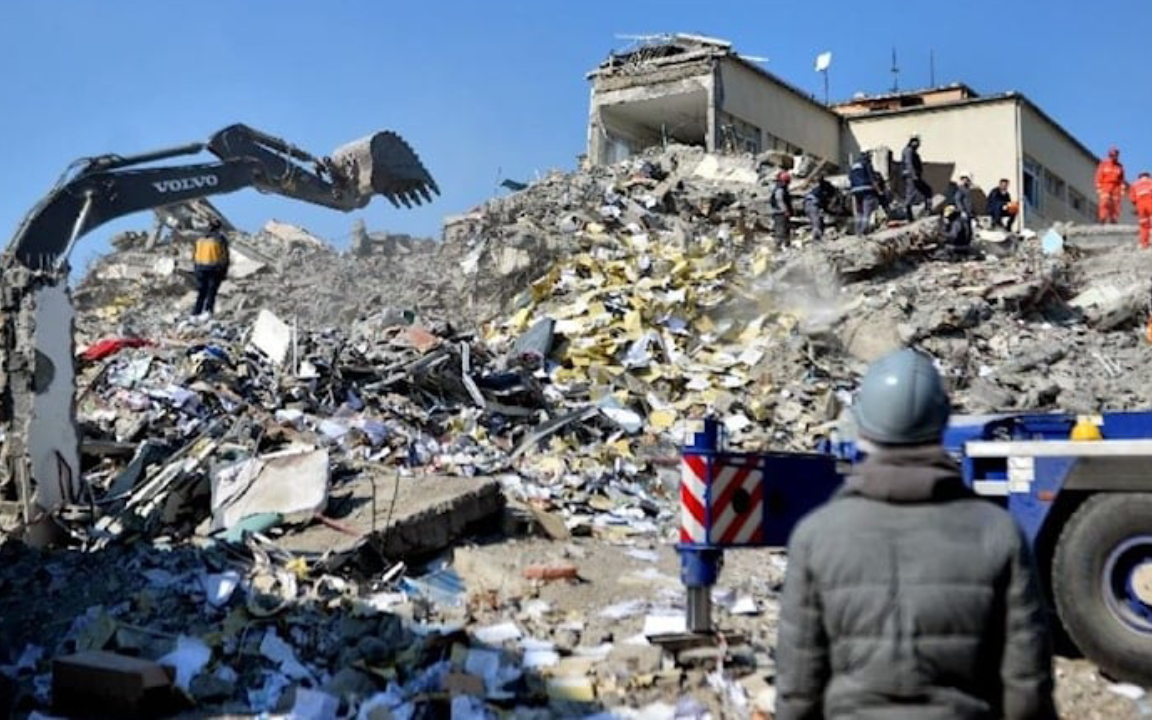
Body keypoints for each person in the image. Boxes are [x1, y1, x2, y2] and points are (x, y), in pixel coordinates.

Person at [776, 347, 1056, 720]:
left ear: (861, 429)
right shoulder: (998, 532)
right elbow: (1026, 685)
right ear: (943, 423)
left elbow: (798, 687)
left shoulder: (816, 535)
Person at [192, 218, 229, 318]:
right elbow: (224, 256)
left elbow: (194, 255)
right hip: (214, 269)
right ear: (218, 228)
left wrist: (195, 269)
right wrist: (224, 271)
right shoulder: (220, 239)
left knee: (201, 292)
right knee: (211, 292)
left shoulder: (200, 239)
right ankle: (208, 312)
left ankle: (196, 312)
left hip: (200, 269)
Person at [848, 151, 880, 235]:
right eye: (870, 155)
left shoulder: (854, 165)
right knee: (867, 211)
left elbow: (850, 178)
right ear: (866, 154)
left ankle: (858, 231)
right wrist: (879, 191)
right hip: (866, 189)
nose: (871, 157)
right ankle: (864, 230)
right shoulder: (866, 163)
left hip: (855, 190)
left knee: (859, 211)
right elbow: (872, 178)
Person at [901, 135, 933, 219]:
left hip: (913, 176)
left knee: (927, 191)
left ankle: (927, 210)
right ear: (912, 141)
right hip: (911, 177)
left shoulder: (911, 151)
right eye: (917, 142)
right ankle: (909, 216)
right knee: (911, 196)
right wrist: (914, 175)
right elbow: (909, 164)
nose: (918, 144)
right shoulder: (908, 151)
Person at [1096, 146, 1127, 223]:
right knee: (1104, 202)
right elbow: (1099, 176)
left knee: (1116, 204)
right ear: (1109, 155)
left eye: (1116, 155)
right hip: (1105, 185)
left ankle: (1114, 219)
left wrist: (1122, 189)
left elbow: (1122, 179)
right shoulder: (1103, 164)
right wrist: (1098, 187)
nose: (1114, 157)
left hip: (1116, 187)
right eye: (1112, 155)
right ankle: (1102, 218)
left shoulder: (1120, 166)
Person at [803, 175, 836, 241]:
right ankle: (817, 238)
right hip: (812, 204)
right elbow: (824, 203)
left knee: (817, 221)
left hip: (808, 203)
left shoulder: (817, 189)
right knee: (816, 222)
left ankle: (818, 236)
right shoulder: (823, 190)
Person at [1129, 171, 1152, 249]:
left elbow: (1132, 198)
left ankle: (1144, 244)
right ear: (1148, 176)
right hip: (1150, 202)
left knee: (1143, 225)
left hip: (1140, 205)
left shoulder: (1135, 184)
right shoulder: (1150, 182)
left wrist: (1137, 206)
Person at [769, 171, 793, 246]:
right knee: (780, 231)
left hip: (780, 213)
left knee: (785, 230)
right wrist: (785, 210)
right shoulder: (780, 190)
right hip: (780, 213)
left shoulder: (781, 188)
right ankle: (778, 246)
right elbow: (780, 200)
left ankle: (785, 245)